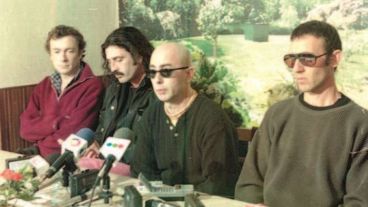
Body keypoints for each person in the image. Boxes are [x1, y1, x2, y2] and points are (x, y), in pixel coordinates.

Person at [235, 20, 368, 206]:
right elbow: (249, 184)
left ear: (334, 59)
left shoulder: (360, 124)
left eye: (307, 58)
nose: (296, 68)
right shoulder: (277, 115)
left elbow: (359, 202)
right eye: (291, 59)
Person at [131, 42, 240, 197]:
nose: (157, 80)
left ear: (189, 74)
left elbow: (218, 185)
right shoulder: (152, 114)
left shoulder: (213, 119)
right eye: (152, 72)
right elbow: (141, 170)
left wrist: (174, 197)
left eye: (166, 71)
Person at [19, 25, 104, 158]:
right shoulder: (43, 85)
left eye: (69, 51)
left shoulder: (93, 86)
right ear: (50, 55)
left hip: (70, 161)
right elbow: (25, 130)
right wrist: (56, 123)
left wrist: (40, 141)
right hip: (38, 157)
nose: (63, 58)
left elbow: (74, 133)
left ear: (81, 53)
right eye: (57, 51)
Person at [83, 26, 155, 164]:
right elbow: (102, 126)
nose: (113, 68)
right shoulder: (113, 89)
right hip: (107, 166)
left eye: (118, 59)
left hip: (135, 171)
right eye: (109, 61)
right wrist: (97, 145)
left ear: (139, 56)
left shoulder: (158, 91)